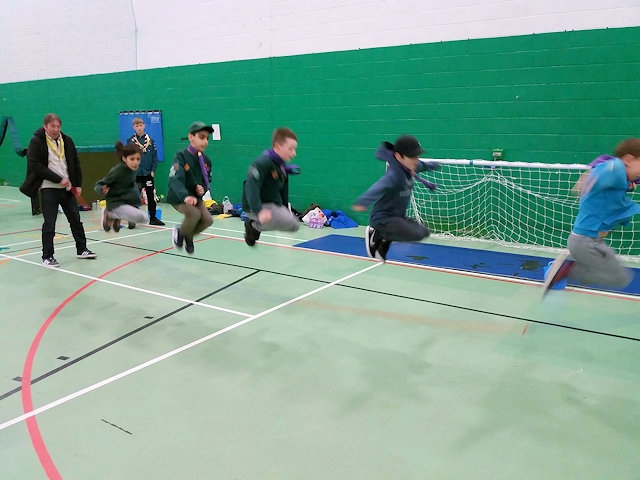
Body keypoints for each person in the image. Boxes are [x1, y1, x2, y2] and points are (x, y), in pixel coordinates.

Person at [544, 138, 640, 293]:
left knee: (622, 277)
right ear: (629, 159)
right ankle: (569, 270)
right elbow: (605, 165)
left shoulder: (621, 174)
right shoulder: (615, 169)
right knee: (619, 279)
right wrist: (588, 179)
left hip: (593, 241)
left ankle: (572, 267)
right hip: (584, 243)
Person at [24, 113, 96, 267]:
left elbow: (75, 163)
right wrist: (58, 179)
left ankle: (82, 249)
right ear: (45, 126)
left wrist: (77, 184)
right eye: (52, 126)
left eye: (58, 126)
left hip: (68, 188)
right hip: (48, 188)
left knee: (75, 219)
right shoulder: (36, 141)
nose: (56, 129)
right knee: (49, 223)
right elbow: (36, 166)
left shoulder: (67, 140)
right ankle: (47, 256)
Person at [352, 135, 438, 261]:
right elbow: (379, 187)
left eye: (417, 156)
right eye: (412, 157)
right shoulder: (393, 175)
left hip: (397, 217)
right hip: (383, 218)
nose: (416, 160)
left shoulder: (411, 166)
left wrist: (433, 165)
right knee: (412, 233)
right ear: (398, 157)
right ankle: (376, 233)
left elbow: (423, 166)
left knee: (423, 233)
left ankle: (384, 239)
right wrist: (363, 201)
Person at [241, 127, 301, 246]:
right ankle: (253, 225)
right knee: (288, 222)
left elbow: (283, 190)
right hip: (254, 206)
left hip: (271, 204)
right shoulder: (262, 162)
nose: (294, 153)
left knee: (293, 225)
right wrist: (259, 211)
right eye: (290, 149)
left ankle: (256, 226)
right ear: (278, 146)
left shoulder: (281, 166)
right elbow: (251, 187)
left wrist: (284, 209)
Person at [166, 121, 214, 254]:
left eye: (207, 138)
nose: (205, 141)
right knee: (194, 214)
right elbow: (175, 178)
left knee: (208, 220)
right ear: (191, 137)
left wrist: (202, 188)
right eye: (201, 137)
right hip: (179, 197)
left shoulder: (206, 161)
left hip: (195, 198)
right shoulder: (180, 157)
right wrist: (185, 196)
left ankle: (188, 234)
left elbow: (207, 178)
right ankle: (181, 232)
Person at [94, 141, 149, 233]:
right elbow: (98, 184)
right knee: (141, 217)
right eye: (132, 159)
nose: (135, 162)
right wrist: (101, 189)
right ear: (124, 159)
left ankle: (117, 216)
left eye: (138, 159)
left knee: (145, 218)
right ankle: (109, 213)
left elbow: (129, 185)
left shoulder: (133, 169)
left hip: (127, 202)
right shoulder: (117, 171)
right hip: (116, 203)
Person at [128, 117, 165, 226]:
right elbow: (127, 157)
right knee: (134, 196)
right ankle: (132, 219)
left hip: (148, 173)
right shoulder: (130, 141)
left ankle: (153, 218)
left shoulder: (150, 141)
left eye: (141, 125)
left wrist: (153, 170)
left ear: (144, 126)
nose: (139, 128)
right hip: (136, 174)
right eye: (137, 126)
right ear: (134, 127)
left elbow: (154, 157)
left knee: (151, 197)